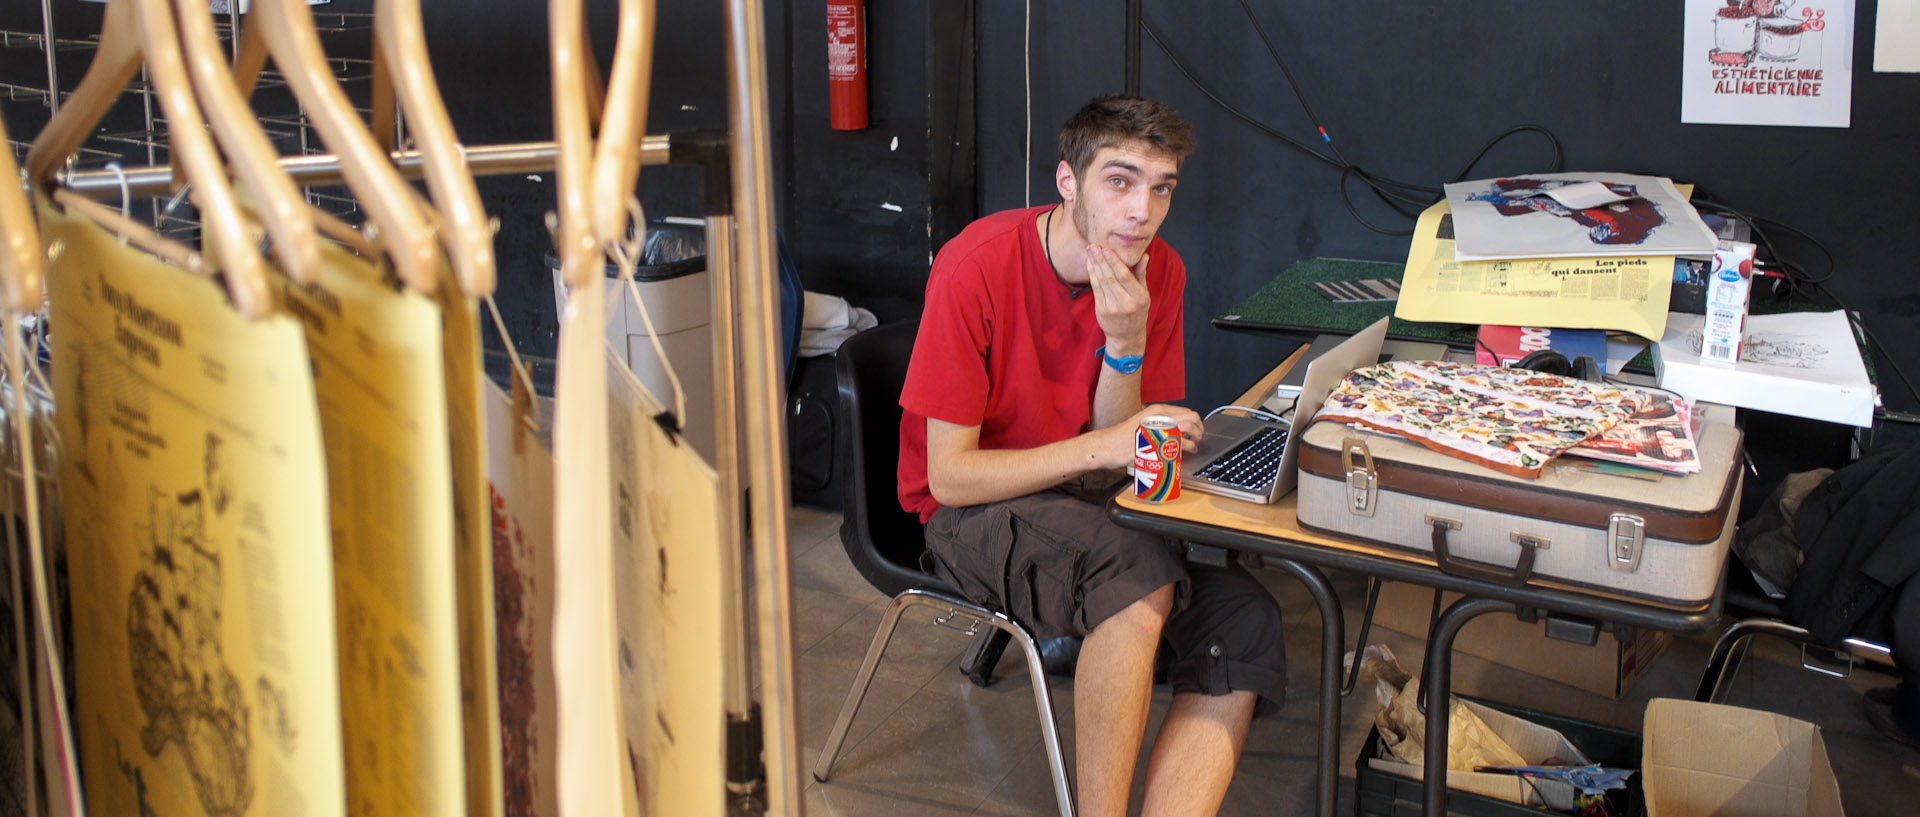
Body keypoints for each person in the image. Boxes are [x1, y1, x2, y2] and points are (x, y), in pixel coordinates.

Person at [897, 94, 1287, 816]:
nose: (1142, 208)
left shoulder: (1156, 271)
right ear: (1068, 182)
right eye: (1120, 179)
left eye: (1161, 186)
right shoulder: (975, 266)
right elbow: (949, 477)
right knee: (1134, 570)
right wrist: (1107, 445)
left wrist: (1125, 345)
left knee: (1247, 618)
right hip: (968, 510)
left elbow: (1120, 458)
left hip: (1086, 502)